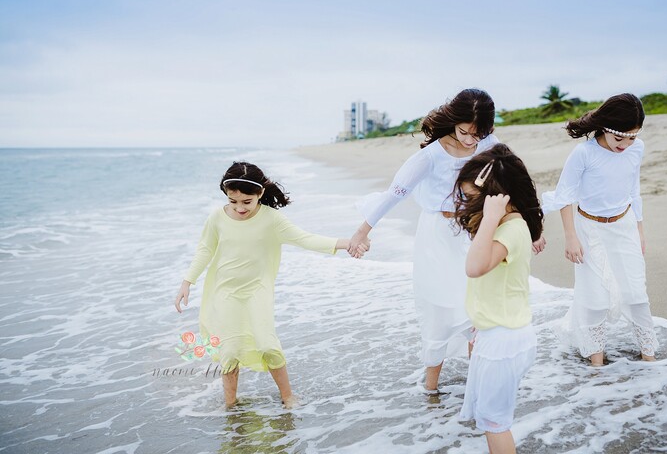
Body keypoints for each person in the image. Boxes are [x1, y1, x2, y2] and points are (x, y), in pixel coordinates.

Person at [174, 161, 366, 408]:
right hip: (226, 292)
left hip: (257, 290)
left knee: (267, 345)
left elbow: (306, 239)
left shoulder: (272, 219)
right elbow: (204, 250)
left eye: (246, 202)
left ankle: (288, 397)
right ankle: (230, 406)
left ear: (260, 194)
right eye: (233, 201)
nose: (239, 208)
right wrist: (186, 282)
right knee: (230, 351)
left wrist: (349, 242)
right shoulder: (216, 218)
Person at [348, 88, 503, 392]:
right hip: (438, 237)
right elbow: (395, 194)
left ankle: (477, 387)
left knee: (478, 310)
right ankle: (430, 390)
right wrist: (361, 232)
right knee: (439, 311)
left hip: (475, 230)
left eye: (478, 133)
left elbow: (511, 180)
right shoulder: (430, 155)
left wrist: (530, 228)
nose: (472, 140)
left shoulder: (491, 145)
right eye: (465, 132)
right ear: (453, 122)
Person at [541, 93, 659, 367]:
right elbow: (565, 196)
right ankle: (597, 368)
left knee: (636, 294)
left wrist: (639, 230)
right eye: (620, 138)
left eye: (632, 137)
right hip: (588, 228)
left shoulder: (636, 149)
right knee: (595, 298)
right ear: (605, 128)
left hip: (624, 224)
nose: (626, 145)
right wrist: (571, 237)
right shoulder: (583, 153)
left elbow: (633, 190)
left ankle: (650, 359)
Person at [453, 143, 542, 454]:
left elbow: (475, 268)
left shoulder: (511, 228)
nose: (465, 203)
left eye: (472, 198)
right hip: (497, 334)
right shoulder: (506, 224)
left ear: (496, 198)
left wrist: (490, 218)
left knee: (495, 422)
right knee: (491, 419)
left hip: (506, 341)